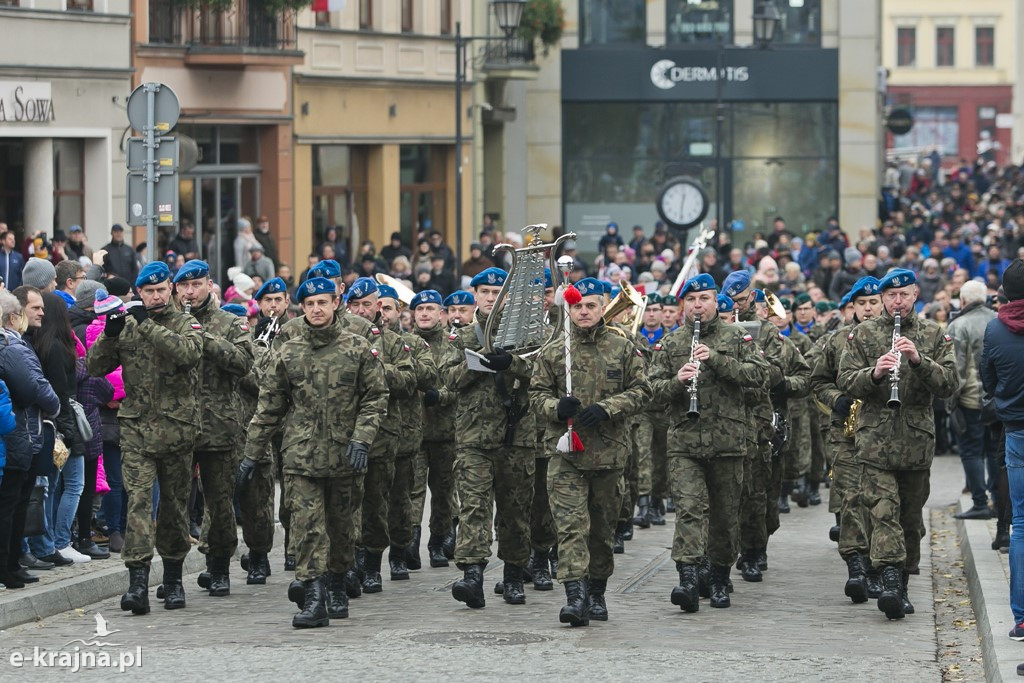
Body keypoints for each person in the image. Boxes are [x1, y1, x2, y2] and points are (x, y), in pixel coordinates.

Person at [241, 277, 388, 628]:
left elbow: (376, 397)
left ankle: (338, 584)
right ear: (301, 308)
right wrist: (251, 453)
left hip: (345, 455)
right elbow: (269, 406)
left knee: (341, 528)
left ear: (335, 303)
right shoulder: (288, 351)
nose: (316, 310)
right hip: (300, 457)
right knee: (307, 527)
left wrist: (362, 438)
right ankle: (315, 596)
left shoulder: (357, 347)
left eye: (322, 302)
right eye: (309, 305)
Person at [838, 268, 958, 620]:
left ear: (916, 294)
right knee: (883, 512)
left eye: (904, 294)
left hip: (916, 442)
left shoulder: (934, 334)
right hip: (874, 441)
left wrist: (919, 361)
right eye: (891, 296)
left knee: (910, 519)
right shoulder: (862, 334)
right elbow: (846, 381)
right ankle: (890, 582)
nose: (897, 302)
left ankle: (902, 584)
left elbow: (949, 384)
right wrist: (875, 373)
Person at [531, 277, 651, 626]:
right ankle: (575, 596)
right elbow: (536, 396)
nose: (583, 312)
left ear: (603, 308)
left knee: (601, 530)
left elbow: (643, 391)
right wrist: (556, 407)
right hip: (565, 454)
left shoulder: (622, 347)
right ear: (568, 309)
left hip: (609, 455)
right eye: (577, 306)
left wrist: (609, 407)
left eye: (590, 306)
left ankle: (596, 590)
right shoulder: (554, 351)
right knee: (570, 527)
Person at [86, 260, 204, 615]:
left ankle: (172, 580)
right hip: (136, 431)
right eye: (148, 291)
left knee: (173, 507)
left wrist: (147, 326)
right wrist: (110, 333)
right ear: (139, 292)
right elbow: (94, 367)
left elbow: (188, 353)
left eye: (160, 290)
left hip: (177, 433)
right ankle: (137, 582)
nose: (155, 296)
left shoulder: (186, 322)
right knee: (138, 504)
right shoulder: (128, 325)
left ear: (170, 289)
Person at [649, 274, 767, 612]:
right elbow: (651, 392)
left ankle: (717, 577)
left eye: (704, 299)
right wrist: (676, 381)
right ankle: (687, 577)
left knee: (725, 516)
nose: (697, 306)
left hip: (728, 441)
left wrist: (715, 359)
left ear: (717, 302)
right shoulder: (671, 343)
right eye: (691, 300)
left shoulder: (738, 336)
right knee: (688, 508)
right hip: (685, 441)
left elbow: (759, 376)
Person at [442, 266, 536, 609]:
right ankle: (473, 574)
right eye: (485, 292)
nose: (491, 298)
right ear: (476, 296)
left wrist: (509, 362)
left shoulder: (526, 335)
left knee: (514, 512)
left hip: (517, 436)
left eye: (498, 293)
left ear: (508, 297)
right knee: (474, 508)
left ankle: (513, 575)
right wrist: (474, 365)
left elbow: (542, 372)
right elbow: (447, 378)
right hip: (473, 437)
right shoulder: (463, 336)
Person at [173, 260, 254, 596]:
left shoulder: (229, 322)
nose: (190, 292)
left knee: (219, 502)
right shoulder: (169, 322)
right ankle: (172, 574)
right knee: (175, 503)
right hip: (176, 425)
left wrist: (204, 338)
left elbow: (244, 363)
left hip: (218, 425)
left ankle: (218, 566)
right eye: (184, 286)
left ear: (209, 284)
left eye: (196, 285)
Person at [810, 276, 884, 603]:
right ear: (851, 307)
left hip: (884, 434)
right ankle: (857, 565)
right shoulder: (837, 340)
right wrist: (837, 399)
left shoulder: (893, 338)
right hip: (846, 432)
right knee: (851, 497)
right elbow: (818, 381)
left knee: (878, 501)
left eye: (873, 303)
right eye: (861, 304)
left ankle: (880, 564)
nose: (867, 309)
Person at [345, 277, 417, 593]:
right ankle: (348, 563)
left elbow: (408, 379)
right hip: (344, 435)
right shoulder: (339, 338)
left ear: (378, 306)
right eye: (355, 305)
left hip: (384, 436)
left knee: (376, 502)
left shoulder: (390, 342)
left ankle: (373, 562)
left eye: (367, 304)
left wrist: (375, 370)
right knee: (346, 504)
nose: (361, 310)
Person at [0, 289, 59, 588]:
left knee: (17, 500)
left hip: (18, 432)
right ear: (13, 316)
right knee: (12, 502)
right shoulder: (11, 346)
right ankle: (8, 565)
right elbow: (32, 387)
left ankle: (12, 563)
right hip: (17, 433)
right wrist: (56, 404)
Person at [980, 260, 1024, 640]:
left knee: (1021, 525)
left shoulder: (994, 329)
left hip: (1015, 431)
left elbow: (987, 380)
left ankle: (1022, 618)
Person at [408, 290, 457, 569]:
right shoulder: (405, 343)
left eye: (430, 309)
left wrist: (443, 395)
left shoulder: (454, 344)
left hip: (446, 432)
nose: (424, 314)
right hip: (414, 431)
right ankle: (410, 543)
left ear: (442, 314)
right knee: (412, 492)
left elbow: (462, 383)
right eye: (419, 309)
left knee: (443, 492)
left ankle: (437, 542)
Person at [947, 280, 998, 520]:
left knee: (970, 452)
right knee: (994, 452)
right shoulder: (997, 320)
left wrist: (951, 401)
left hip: (970, 400)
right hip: (996, 400)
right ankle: (998, 501)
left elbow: (957, 368)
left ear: (963, 301)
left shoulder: (958, 325)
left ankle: (979, 502)